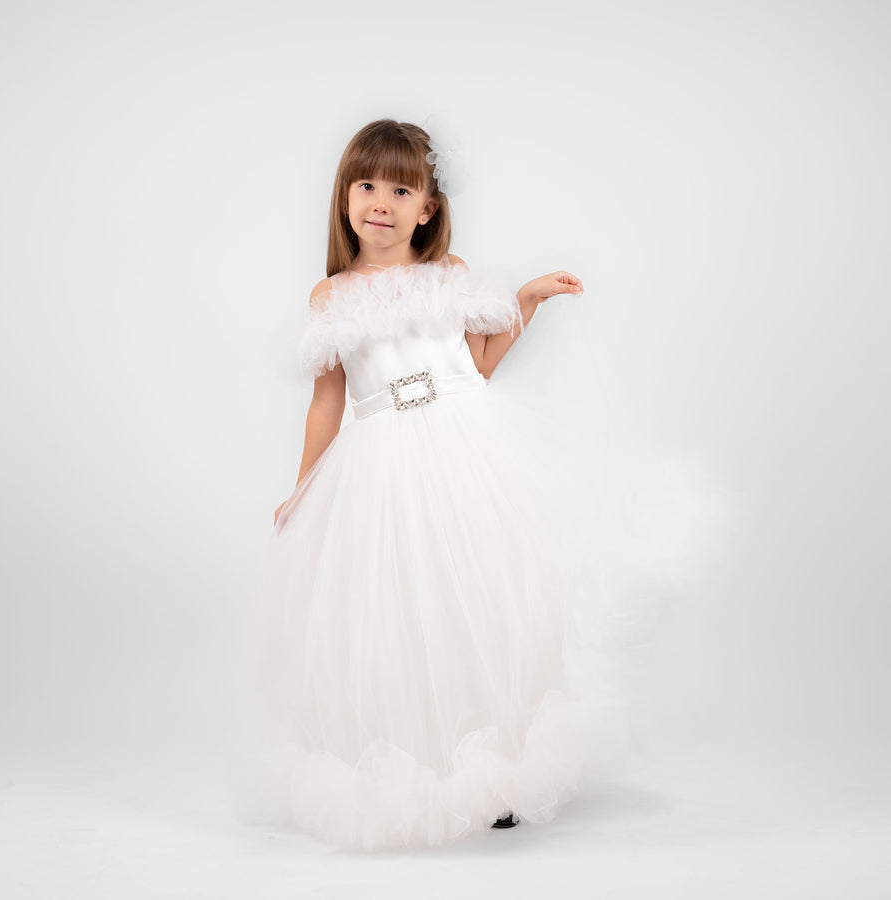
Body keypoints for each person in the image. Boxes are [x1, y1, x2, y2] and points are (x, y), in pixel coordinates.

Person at [229, 118, 718, 853]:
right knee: (401, 611)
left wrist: (526, 300)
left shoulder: (448, 273)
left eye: (401, 190)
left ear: (428, 207)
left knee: (479, 602)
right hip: (382, 464)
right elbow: (327, 402)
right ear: (344, 197)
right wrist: (302, 488)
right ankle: (413, 768)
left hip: (465, 449)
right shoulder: (331, 297)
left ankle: (492, 774)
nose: (381, 203)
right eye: (367, 186)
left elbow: (477, 367)